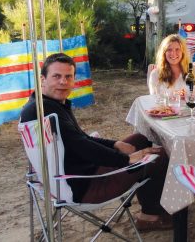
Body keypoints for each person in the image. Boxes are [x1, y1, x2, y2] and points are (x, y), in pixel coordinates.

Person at [20, 53, 172, 232]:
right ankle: (150, 216)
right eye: (57, 76)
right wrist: (126, 160)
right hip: (85, 184)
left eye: (68, 76)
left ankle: (148, 201)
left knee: (141, 139)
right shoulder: (49, 111)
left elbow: (81, 138)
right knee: (160, 155)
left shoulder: (42, 104)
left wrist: (115, 144)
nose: (63, 81)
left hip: (76, 174)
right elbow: (83, 146)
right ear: (42, 79)